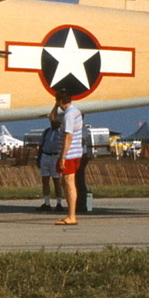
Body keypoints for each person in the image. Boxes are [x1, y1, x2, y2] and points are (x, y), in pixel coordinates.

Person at [52, 87, 84, 226]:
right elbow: (52, 118)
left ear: (60, 101)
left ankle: (71, 215)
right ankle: (71, 214)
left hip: (70, 153)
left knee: (69, 183)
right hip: (76, 152)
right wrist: (56, 104)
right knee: (67, 182)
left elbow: (68, 136)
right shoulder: (75, 111)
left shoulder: (69, 115)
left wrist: (63, 156)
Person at [37, 111, 65, 212]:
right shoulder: (47, 131)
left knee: (56, 180)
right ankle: (47, 202)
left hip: (55, 156)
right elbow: (41, 145)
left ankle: (59, 203)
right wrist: (39, 158)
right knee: (45, 180)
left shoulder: (61, 132)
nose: (52, 123)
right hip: (45, 155)